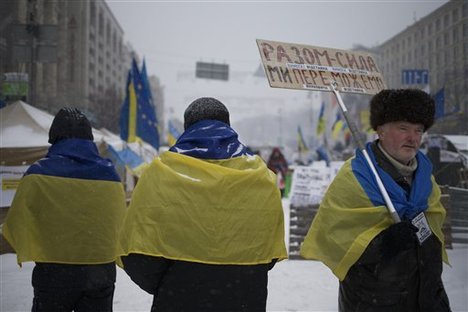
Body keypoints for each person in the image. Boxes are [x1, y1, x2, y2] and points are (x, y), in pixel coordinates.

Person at [118, 97, 287, 312]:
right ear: (228, 126)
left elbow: (138, 253)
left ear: (187, 128)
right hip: (244, 298)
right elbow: (267, 251)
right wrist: (239, 278)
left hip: (177, 299)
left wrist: (174, 282)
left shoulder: (160, 172)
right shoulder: (261, 177)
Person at [300, 89, 451, 311]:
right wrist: (383, 243)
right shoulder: (355, 176)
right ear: (380, 130)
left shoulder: (426, 178)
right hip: (372, 302)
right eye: (403, 128)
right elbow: (335, 239)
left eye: (418, 130)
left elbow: (431, 238)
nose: (413, 138)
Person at [3, 108, 126, 312]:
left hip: (53, 271)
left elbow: (17, 223)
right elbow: (120, 223)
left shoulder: (38, 174)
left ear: (55, 137)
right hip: (100, 271)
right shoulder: (111, 176)